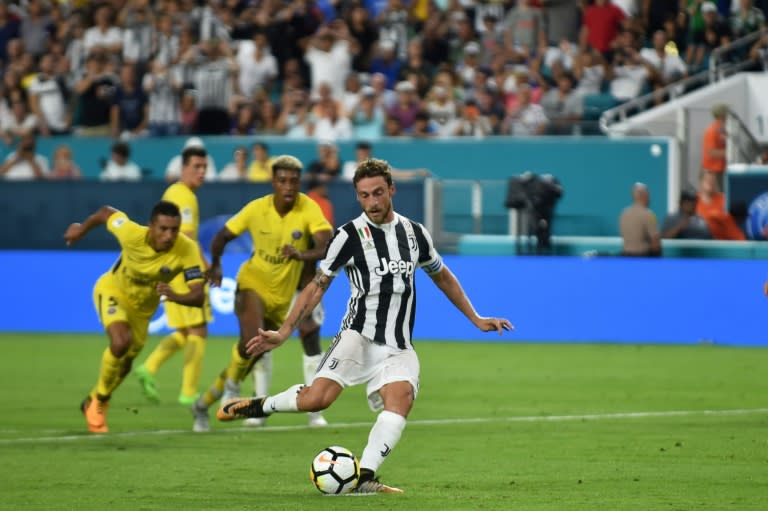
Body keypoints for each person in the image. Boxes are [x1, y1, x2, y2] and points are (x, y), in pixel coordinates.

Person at [216, 158, 513, 493]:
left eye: (378, 193)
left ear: (391, 190)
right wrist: (285, 331)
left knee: (400, 401)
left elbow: (442, 276)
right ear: (357, 197)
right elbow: (317, 285)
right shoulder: (348, 236)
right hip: (358, 338)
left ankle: (365, 476)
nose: (372, 202)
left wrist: (476, 318)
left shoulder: (415, 233)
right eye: (364, 195)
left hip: (398, 345)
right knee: (317, 400)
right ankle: (259, 405)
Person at [191, 155, 333, 432]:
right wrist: (216, 266)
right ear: (273, 182)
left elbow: (328, 245)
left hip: (285, 294)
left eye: (293, 181)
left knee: (254, 350)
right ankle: (235, 390)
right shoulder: (256, 209)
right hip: (252, 282)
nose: (288, 187)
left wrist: (301, 254)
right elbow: (221, 237)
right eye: (282, 181)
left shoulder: (309, 209)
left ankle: (204, 403)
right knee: (252, 341)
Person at [63, 201, 206, 433]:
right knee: (120, 342)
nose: (169, 235)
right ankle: (100, 402)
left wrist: (175, 296)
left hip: (142, 313)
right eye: (163, 229)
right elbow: (105, 212)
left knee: (126, 363)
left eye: (174, 229)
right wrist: (81, 228)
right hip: (113, 291)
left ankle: (93, 399)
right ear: (151, 226)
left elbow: (198, 295)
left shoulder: (187, 249)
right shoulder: (131, 233)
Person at [245, 175, 336, 428]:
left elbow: (328, 248)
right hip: (274, 292)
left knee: (310, 341)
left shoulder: (310, 217)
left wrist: (301, 254)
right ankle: (258, 408)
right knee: (262, 341)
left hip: (304, 291)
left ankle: (314, 412)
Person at [135, 146, 212, 405]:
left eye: (204, 167)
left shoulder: (174, 193)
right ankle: (189, 392)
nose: (201, 172)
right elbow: (187, 237)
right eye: (196, 167)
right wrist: (206, 266)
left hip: (171, 267)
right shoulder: (184, 196)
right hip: (185, 270)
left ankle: (149, 366)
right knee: (198, 330)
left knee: (183, 330)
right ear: (183, 168)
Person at [696, 172, 746, 240]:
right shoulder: (694, 200)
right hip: (700, 241)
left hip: (722, 241)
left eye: (712, 181)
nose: (710, 183)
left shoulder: (723, 199)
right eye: (707, 180)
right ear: (701, 182)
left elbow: (731, 224)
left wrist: (719, 216)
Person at [619, 182, 661, 256]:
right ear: (645, 196)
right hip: (642, 257)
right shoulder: (648, 214)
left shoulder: (624, 213)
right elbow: (655, 243)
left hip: (625, 256)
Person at [701, 103, 728, 191]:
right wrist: (729, 152)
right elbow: (711, 152)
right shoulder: (711, 131)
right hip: (713, 171)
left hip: (721, 169)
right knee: (719, 194)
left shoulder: (722, 130)